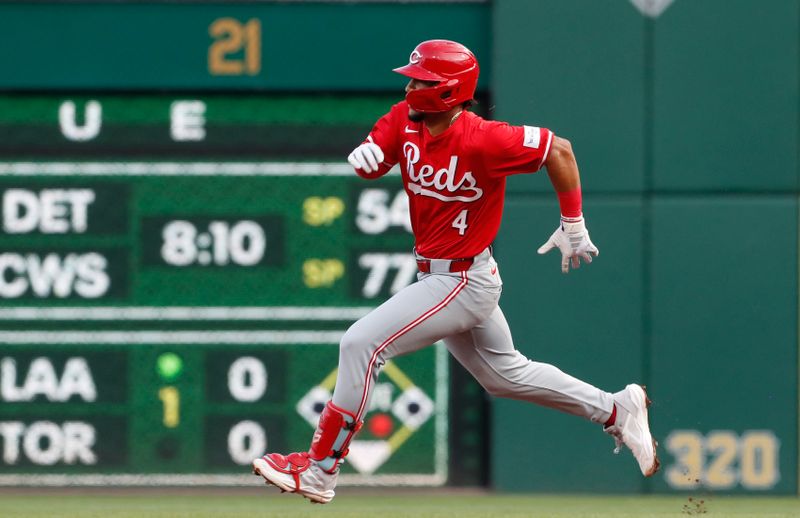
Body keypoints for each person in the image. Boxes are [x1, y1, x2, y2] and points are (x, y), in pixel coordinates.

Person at [252, 39, 659, 504]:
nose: (410, 86)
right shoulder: (404, 120)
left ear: (448, 90)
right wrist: (365, 155)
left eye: (421, 80)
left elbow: (559, 150)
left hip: (463, 279)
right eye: (411, 77)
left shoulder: (484, 137)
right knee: (504, 375)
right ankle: (615, 409)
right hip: (440, 275)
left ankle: (321, 467)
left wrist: (573, 222)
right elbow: (377, 154)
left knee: (360, 343)